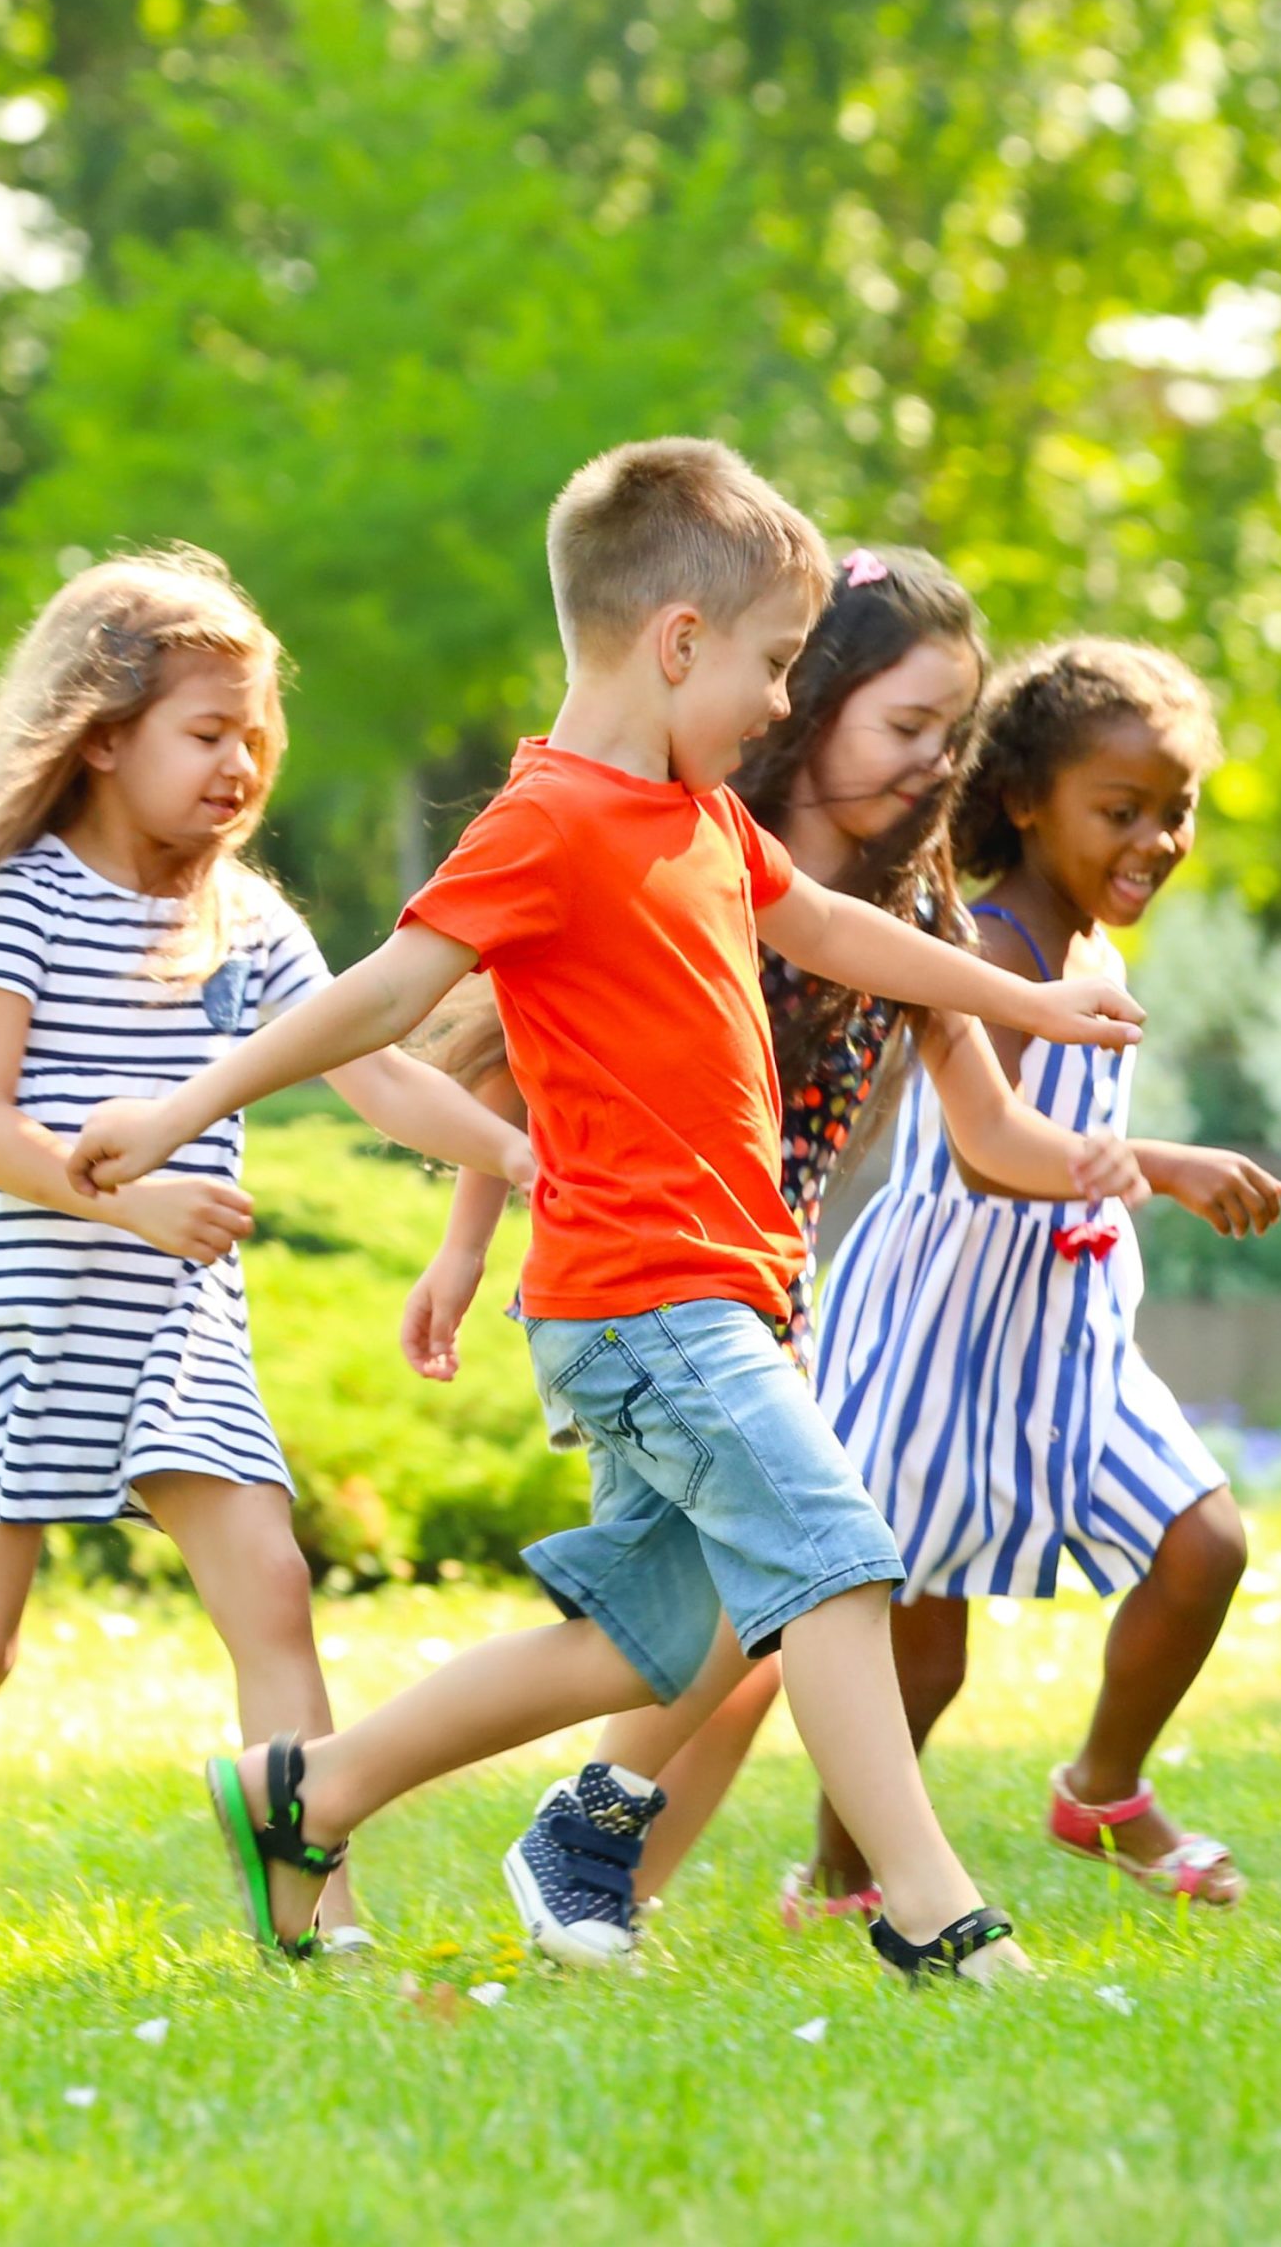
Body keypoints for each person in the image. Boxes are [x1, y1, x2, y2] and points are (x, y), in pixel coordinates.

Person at [67, 440, 1142, 1981]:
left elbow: (834, 927)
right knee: (836, 1554)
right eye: (773, 666)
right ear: (678, 642)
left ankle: (310, 1792)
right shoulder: (552, 821)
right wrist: (178, 1111)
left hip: (718, 1290)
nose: (783, 703)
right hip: (645, 1299)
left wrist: (1010, 995)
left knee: (645, 1648)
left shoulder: (698, 819)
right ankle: (930, 1910)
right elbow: (382, 993)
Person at [0, 547, 532, 1964]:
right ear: (102, 737)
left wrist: (509, 1154)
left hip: (172, 1333)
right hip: (15, 1319)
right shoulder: (29, 897)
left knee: (270, 1588)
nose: (241, 765)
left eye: (257, 737)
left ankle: (317, 1916)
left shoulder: (243, 917)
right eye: (207, 734)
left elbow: (373, 1069)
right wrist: (126, 1201)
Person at [801, 637, 1281, 1911]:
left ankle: (1103, 1790)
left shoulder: (1093, 959)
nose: (1155, 841)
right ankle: (841, 1875)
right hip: (936, 1331)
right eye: (1119, 811)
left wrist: (1135, 1176)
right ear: (1025, 799)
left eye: (1175, 812)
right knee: (922, 1656)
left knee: (1203, 1544)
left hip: (1066, 1337)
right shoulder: (994, 949)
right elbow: (983, 1153)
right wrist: (1162, 1163)